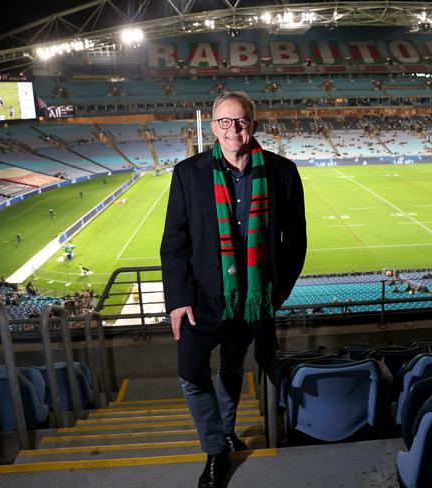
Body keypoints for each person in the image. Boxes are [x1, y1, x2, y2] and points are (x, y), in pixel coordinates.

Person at [160, 91, 306, 488]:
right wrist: (177, 300)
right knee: (191, 373)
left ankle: (226, 431)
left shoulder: (282, 172)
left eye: (240, 121)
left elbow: (295, 241)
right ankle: (215, 449)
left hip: (253, 300)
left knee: (232, 367)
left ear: (253, 125)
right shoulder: (188, 173)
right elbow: (174, 242)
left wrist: (277, 293)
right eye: (224, 122)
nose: (233, 129)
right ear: (213, 128)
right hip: (202, 300)